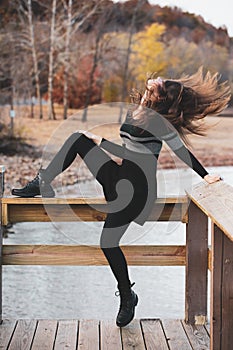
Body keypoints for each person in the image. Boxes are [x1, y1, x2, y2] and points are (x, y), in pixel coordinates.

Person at [12, 67, 231, 327]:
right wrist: (99, 140)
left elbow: (180, 153)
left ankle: (127, 296)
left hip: (137, 190)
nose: (158, 79)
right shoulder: (137, 109)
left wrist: (205, 176)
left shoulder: (160, 124)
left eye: (163, 84)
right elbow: (127, 149)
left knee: (108, 242)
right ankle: (42, 182)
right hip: (116, 178)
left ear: (161, 97)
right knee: (77, 139)